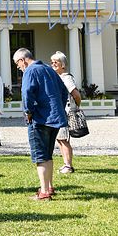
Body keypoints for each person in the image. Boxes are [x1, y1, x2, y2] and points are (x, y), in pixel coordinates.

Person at [13, 48, 68, 201]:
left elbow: (27, 93)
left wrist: (28, 112)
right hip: (54, 118)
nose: (18, 68)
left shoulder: (30, 71)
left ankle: (44, 192)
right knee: (48, 154)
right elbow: (64, 91)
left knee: (40, 156)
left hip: (39, 119)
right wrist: (58, 108)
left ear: (23, 60)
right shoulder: (49, 69)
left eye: (17, 64)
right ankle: (49, 187)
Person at [50, 51, 82, 174]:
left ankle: (68, 165)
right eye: (52, 62)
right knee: (60, 139)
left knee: (64, 139)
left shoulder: (66, 78)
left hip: (66, 112)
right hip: (60, 112)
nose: (53, 64)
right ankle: (66, 164)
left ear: (63, 65)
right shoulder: (58, 77)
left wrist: (75, 108)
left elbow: (76, 94)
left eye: (55, 62)